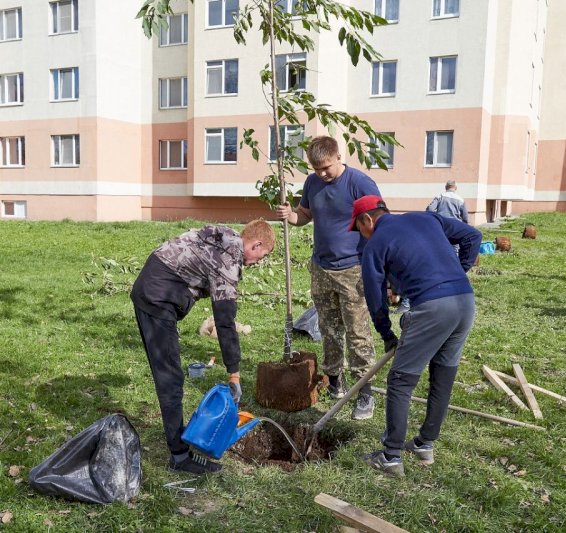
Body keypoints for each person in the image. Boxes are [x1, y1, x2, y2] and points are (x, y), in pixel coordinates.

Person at [131, 220, 275, 474]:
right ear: (256, 243)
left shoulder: (226, 237)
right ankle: (179, 457)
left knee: (170, 375)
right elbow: (225, 322)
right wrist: (234, 373)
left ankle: (180, 444)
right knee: (170, 379)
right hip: (157, 296)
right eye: (259, 256)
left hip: (153, 285)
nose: (256, 263)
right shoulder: (228, 264)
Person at [351, 195, 481, 477]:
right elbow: (473, 234)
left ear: (367, 220)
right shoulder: (426, 217)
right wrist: (459, 272)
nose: (361, 236)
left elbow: (374, 296)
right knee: (443, 374)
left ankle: (391, 456)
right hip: (465, 301)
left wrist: (386, 332)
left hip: (433, 308)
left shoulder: (376, 244)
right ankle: (424, 444)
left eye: (358, 229)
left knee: (400, 381)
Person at [275, 136, 380, 420]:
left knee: (357, 331)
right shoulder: (312, 183)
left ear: (338, 157)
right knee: (329, 328)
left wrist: (378, 267)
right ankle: (334, 380)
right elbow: (304, 215)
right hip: (321, 268)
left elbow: (378, 224)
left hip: (352, 270)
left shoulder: (360, 184)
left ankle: (364, 392)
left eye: (326, 168)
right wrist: (290, 215)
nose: (321, 173)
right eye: (316, 168)